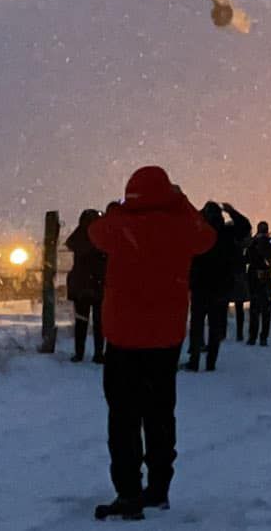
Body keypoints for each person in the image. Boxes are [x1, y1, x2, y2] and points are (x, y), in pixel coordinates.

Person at [85, 166, 217, 520]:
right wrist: (180, 201)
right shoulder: (180, 226)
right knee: (160, 413)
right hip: (165, 337)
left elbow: (94, 232)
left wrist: (120, 209)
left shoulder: (118, 225)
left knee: (123, 417)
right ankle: (159, 488)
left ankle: (128, 491)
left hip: (123, 337)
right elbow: (207, 237)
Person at [185, 201, 249, 372]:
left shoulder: (199, 233)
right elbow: (245, 227)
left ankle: (194, 360)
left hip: (200, 284)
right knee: (215, 326)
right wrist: (232, 211)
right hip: (221, 286)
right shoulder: (227, 233)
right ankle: (211, 361)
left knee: (197, 324)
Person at [65, 209, 108, 364]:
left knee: (81, 321)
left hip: (81, 287)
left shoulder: (78, 237)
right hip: (98, 286)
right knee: (99, 322)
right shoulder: (102, 238)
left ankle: (79, 353)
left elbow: (72, 245)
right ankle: (98, 353)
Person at [244, 221, 271, 346]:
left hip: (254, 278)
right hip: (267, 277)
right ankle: (263, 337)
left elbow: (246, 258)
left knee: (255, 309)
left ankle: (253, 336)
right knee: (266, 310)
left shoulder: (252, 242)